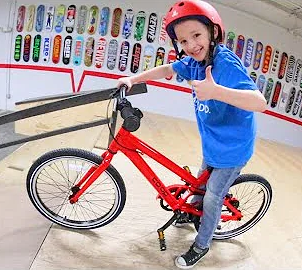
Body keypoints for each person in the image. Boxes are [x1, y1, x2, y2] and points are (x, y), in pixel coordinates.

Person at [117, 0, 267, 268]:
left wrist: (217, 91)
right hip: (212, 144)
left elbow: (259, 102)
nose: (191, 44)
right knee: (199, 184)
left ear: (213, 32)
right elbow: (167, 70)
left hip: (233, 150)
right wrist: (133, 79)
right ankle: (190, 212)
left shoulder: (225, 64)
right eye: (183, 40)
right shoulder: (194, 62)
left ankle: (202, 244)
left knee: (212, 198)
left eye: (196, 35)